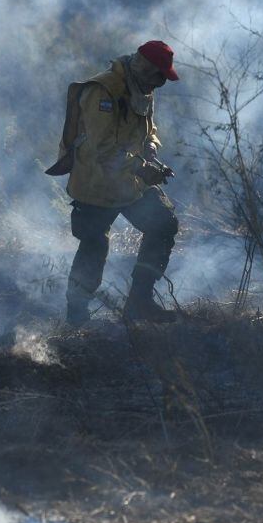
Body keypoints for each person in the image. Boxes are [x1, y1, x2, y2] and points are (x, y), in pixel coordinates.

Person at [46, 40, 180, 325]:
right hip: (95, 186)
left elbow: (149, 130)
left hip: (129, 184)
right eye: (158, 76)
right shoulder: (103, 91)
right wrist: (142, 169)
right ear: (144, 68)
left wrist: (151, 149)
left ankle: (139, 302)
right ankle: (76, 320)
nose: (159, 85)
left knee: (164, 224)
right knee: (93, 248)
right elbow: (102, 149)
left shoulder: (143, 88)